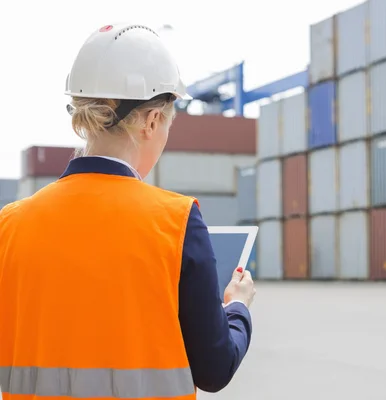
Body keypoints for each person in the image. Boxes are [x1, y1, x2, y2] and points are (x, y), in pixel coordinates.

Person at [0, 23, 256, 398]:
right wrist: (237, 310)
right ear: (152, 121)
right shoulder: (177, 221)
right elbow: (214, 370)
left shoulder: (10, 225)